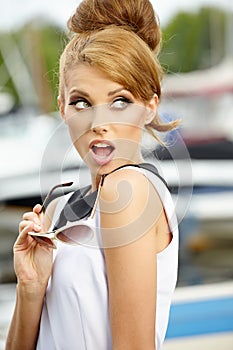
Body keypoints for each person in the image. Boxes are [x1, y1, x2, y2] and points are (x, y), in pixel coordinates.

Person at [6, 0, 179, 349]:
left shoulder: (127, 190)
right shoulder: (59, 208)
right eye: (82, 102)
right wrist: (31, 286)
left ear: (150, 105)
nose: (99, 125)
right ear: (61, 107)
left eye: (119, 101)